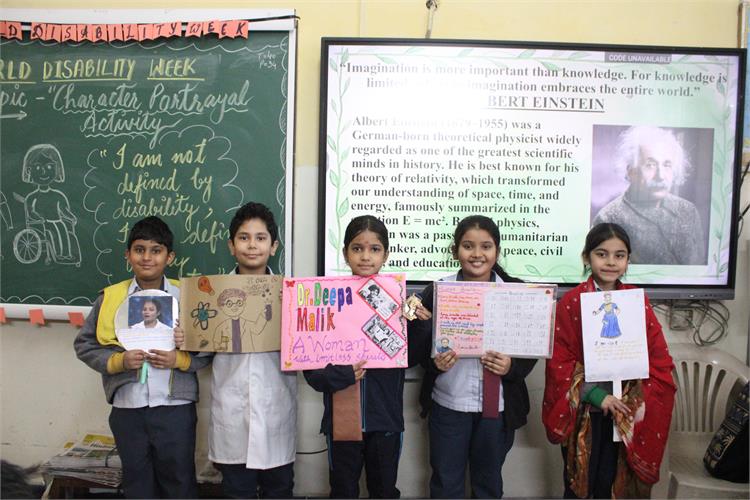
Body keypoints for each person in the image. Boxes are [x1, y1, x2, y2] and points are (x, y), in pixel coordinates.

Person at [74, 216, 210, 498]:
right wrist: (118, 362)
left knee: (180, 481)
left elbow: (210, 349)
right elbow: (85, 344)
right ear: (128, 255)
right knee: (137, 484)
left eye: (156, 250)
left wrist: (180, 359)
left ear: (169, 257)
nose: (147, 257)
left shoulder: (188, 296)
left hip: (175, 407)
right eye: (139, 250)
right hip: (128, 407)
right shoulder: (111, 298)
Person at [542, 222, 676, 498]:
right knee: (579, 484)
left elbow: (658, 358)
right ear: (586, 257)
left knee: (610, 483)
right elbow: (560, 365)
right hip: (586, 412)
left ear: (628, 261)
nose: (611, 262)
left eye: (619, 255)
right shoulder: (571, 303)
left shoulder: (637, 302)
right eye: (602, 254)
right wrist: (596, 396)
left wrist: (633, 396)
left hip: (624, 412)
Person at [407, 215, 536, 498]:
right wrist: (434, 364)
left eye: (486, 246)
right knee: (445, 482)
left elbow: (531, 346)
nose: (477, 254)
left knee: (488, 484)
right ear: (455, 251)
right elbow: (416, 351)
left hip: (497, 408)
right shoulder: (436, 292)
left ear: (497, 251)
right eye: (468, 246)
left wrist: (512, 366)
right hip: (448, 404)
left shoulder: (516, 291)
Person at [304, 215, 427, 499]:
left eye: (375, 249)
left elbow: (411, 358)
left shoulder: (398, 303)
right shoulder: (326, 301)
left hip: (385, 420)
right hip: (342, 419)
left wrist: (420, 325)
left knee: (384, 490)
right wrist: (342, 374)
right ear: (345, 252)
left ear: (386, 254)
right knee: (343, 490)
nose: (366, 256)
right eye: (357, 248)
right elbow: (312, 373)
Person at [203, 202, 297, 498]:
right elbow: (200, 353)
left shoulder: (291, 294)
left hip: (275, 412)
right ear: (231, 246)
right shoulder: (213, 295)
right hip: (232, 415)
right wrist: (188, 337)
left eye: (260, 238)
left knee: (279, 490)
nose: (252, 245)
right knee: (236, 491)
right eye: (244, 238)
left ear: (274, 246)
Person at [592, 125, 706, 265]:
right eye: (650, 165)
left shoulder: (688, 211)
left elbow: (700, 267)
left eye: (667, 165)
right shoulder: (608, 218)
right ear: (631, 171)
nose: (661, 176)